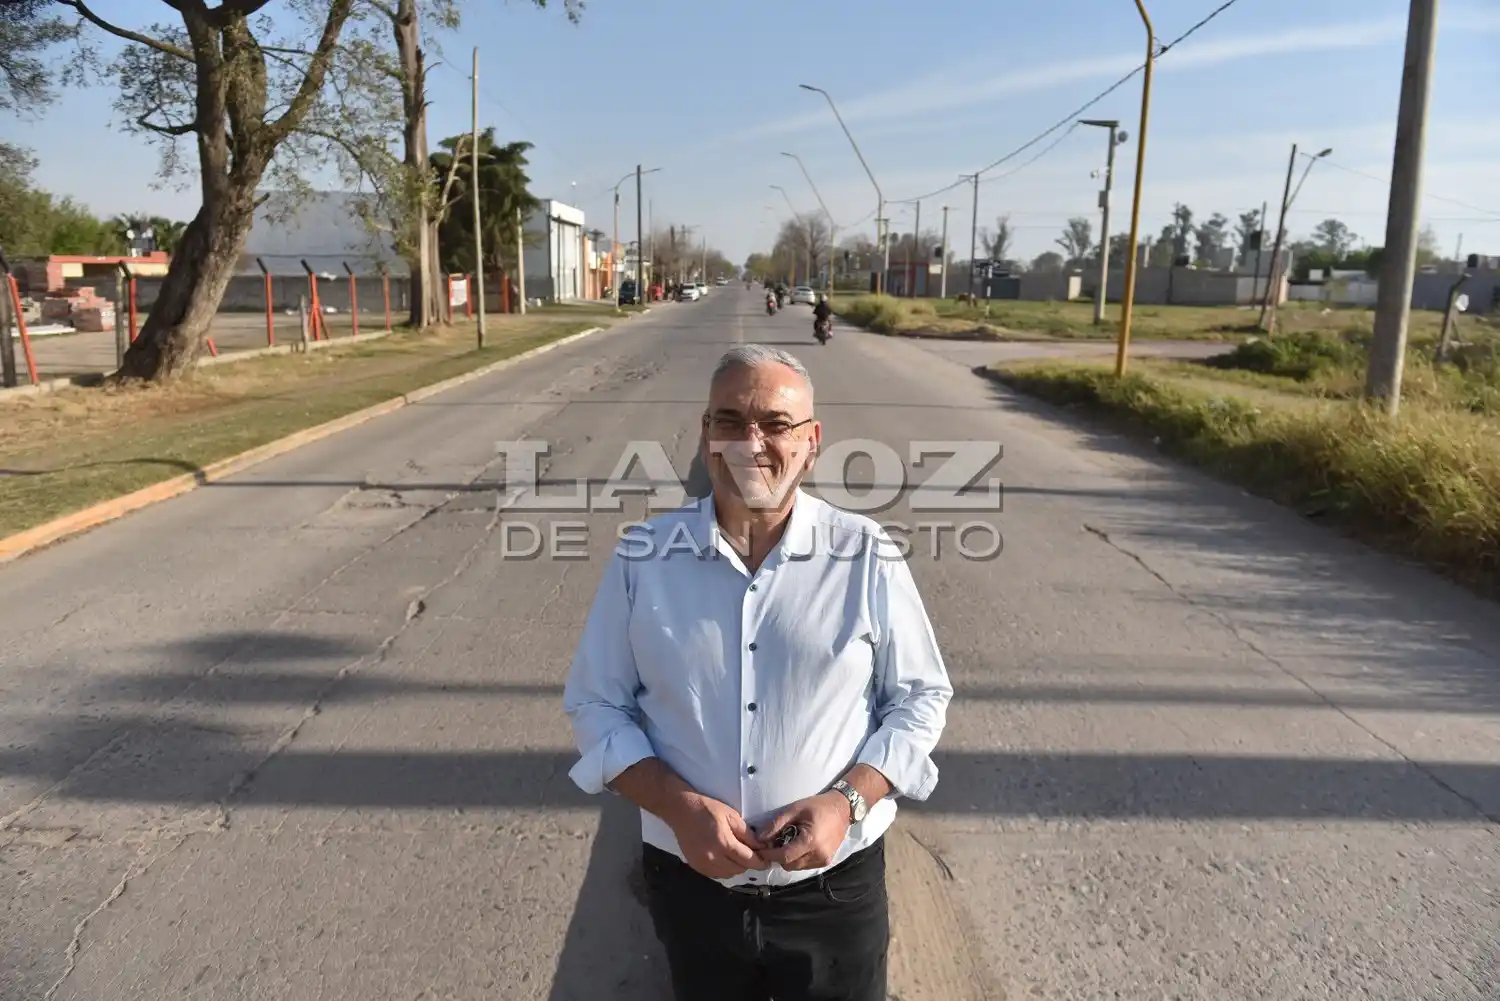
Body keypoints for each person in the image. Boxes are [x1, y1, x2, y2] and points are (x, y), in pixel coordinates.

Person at [563, 344, 953, 1001]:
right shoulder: (644, 558)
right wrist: (678, 807)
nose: (751, 442)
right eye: (729, 421)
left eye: (775, 423)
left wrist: (848, 800)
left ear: (812, 441)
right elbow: (596, 704)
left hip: (834, 893)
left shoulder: (865, 555)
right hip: (690, 889)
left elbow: (918, 698)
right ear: (705, 434)